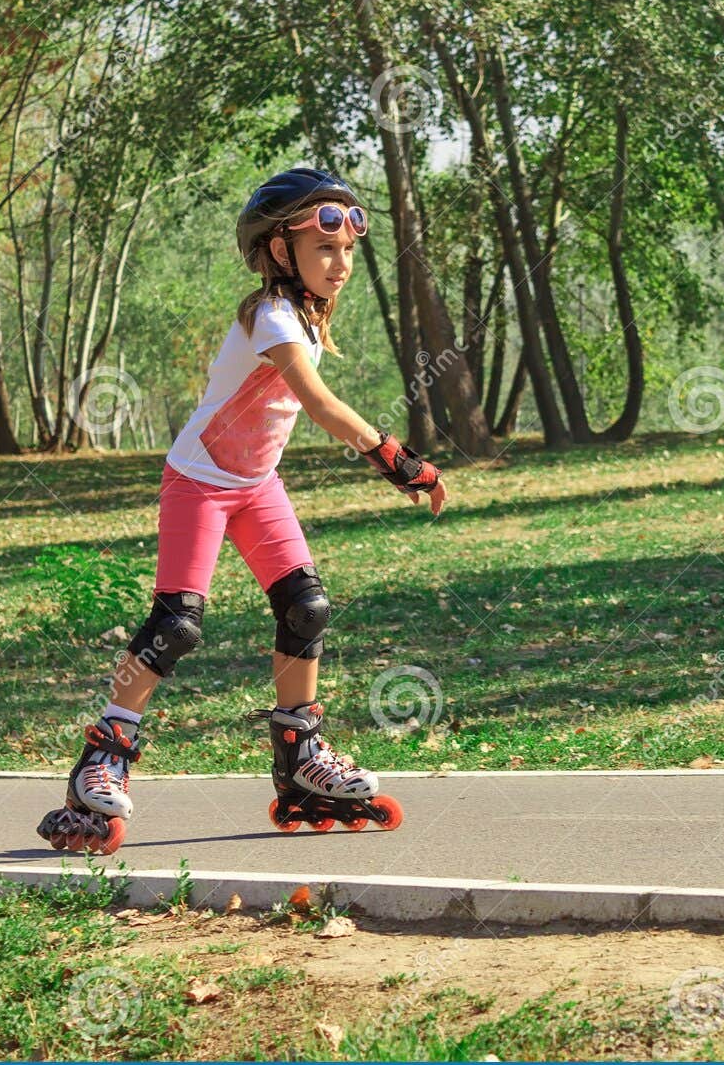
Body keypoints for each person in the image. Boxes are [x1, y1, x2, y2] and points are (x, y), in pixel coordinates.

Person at [37, 168, 446, 854]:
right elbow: (317, 405)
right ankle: (102, 757)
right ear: (279, 252)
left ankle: (300, 759)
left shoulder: (305, 315)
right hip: (199, 480)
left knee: (306, 606)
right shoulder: (272, 315)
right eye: (325, 250)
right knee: (177, 624)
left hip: (256, 483)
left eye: (348, 250)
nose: (341, 264)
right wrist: (397, 459)